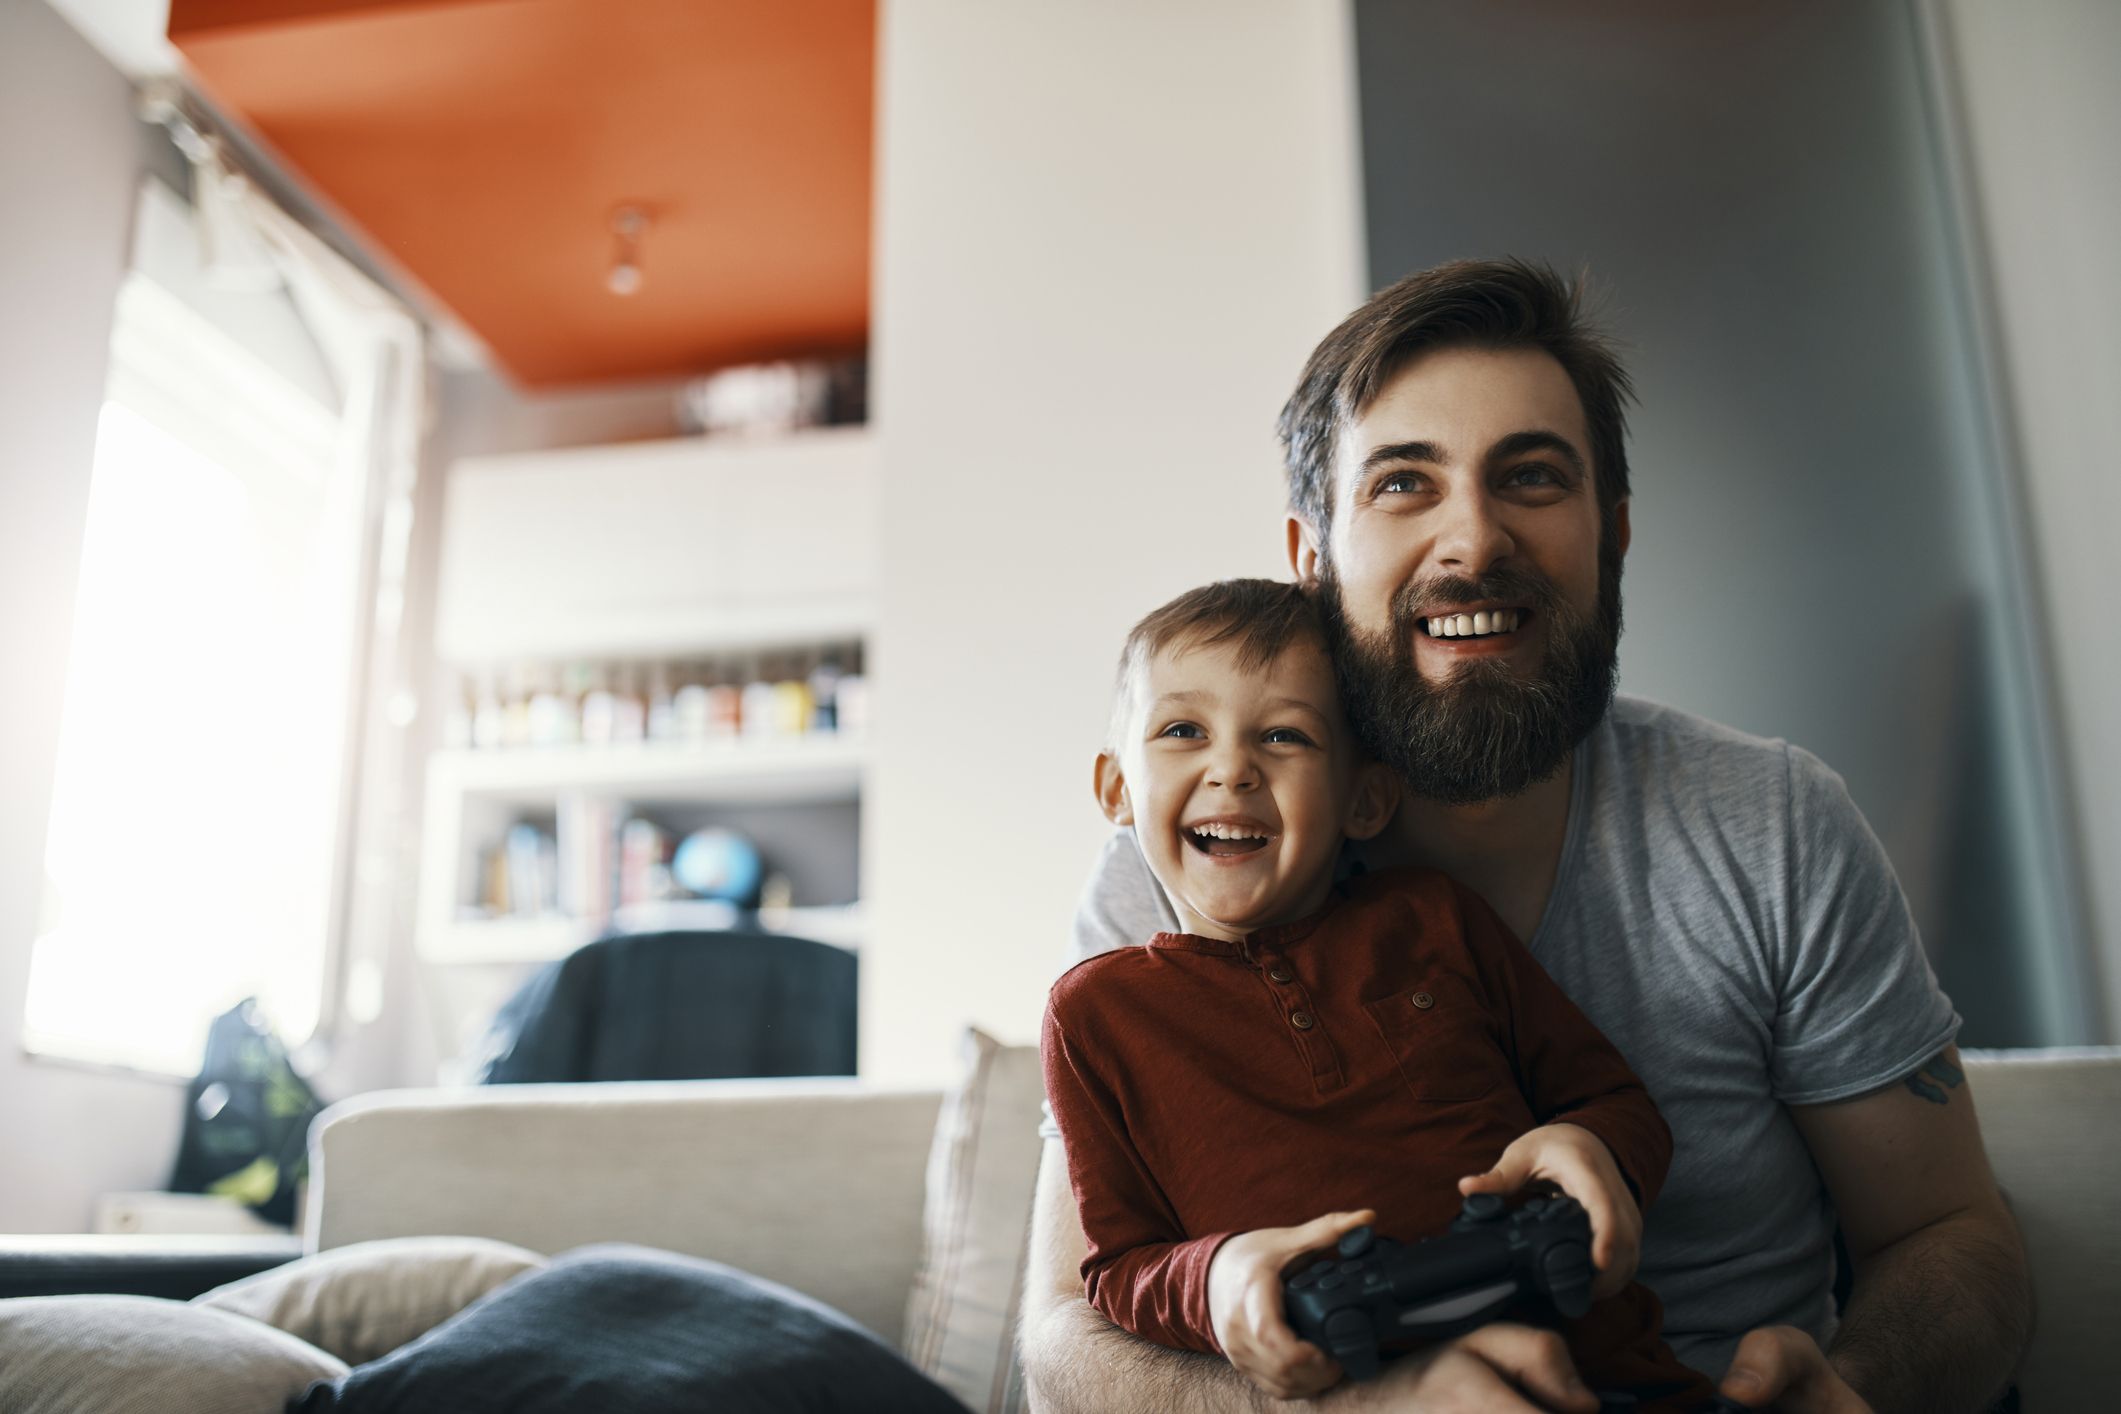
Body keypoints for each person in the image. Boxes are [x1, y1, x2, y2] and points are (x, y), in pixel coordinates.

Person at [1017, 258, 2031, 1414]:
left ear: (1614, 534)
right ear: (1310, 560)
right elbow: (1065, 1341)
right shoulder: (1184, 866)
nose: (1475, 539)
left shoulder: (1775, 825)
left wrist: (1854, 1388)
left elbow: (1956, 1236)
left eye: (1532, 477)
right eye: (1405, 484)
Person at [1042, 577, 1719, 1411]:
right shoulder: (1095, 1016)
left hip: (1601, 1373)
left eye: (1284, 736)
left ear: (1364, 797)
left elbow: (1610, 1097)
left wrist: (1592, 1150)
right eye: (1182, 730)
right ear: (1115, 790)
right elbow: (1114, 1268)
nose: (1231, 770)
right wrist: (1216, 1282)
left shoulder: (1433, 919)